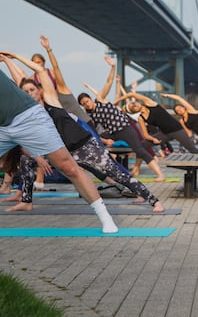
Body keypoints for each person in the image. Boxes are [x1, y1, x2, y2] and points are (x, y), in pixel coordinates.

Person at [4, 52, 165, 213]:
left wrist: (15, 57)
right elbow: (20, 81)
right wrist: (5, 61)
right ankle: (26, 201)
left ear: (39, 90)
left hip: (86, 147)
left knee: (118, 174)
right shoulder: (30, 114)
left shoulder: (51, 100)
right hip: (61, 152)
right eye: (25, 92)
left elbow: (40, 70)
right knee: (26, 160)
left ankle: (154, 201)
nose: (29, 93)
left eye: (32, 89)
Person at [0, 58, 118, 232]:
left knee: (68, 167)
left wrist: (10, 59)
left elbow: (23, 75)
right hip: (3, 126)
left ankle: (105, 217)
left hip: (28, 117)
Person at [78, 58, 166, 181]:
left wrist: (113, 67)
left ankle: (160, 174)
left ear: (91, 99)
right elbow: (95, 131)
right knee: (96, 143)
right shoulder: (91, 114)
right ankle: (110, 173)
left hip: (124, 128)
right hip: (112, 133)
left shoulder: (100, 99)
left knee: (139, 150)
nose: (87, 104)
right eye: (84, 104)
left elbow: (108, 82)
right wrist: (104, 140)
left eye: (87, 101)